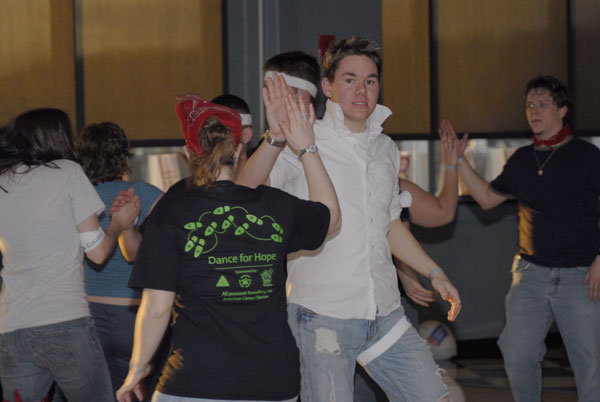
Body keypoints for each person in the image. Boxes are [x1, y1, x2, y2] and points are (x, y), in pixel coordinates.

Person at [237, 36, 461, 402]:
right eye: (350, 79)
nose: (361, 90)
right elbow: (244, 189)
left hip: (384, 311)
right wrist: (276, 137)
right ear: (327, 87)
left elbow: (390, 226)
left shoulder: (385, 148)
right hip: (322, 317)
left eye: (370, 80)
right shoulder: (303, 138)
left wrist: (434, 272)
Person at [116, 95, 340, 401]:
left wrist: (137, 368)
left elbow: (157, 308)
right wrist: (307, 147)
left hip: (195, 382)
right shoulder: (274, 205)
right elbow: (332, 217)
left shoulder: (173, 208)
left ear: (188, 153)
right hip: (272, 383)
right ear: (237, 150)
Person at [449, 75, 600, 402]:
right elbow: (487, 198)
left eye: (543, 104)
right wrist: (460, 160)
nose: (534, 111)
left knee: (589, 364)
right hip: (530, 275)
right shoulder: (521, 160)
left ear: (562, 110)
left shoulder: (588, 156)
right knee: (517, 354)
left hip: (580, 276)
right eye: (530, 105)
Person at [0, 108, 139, 402]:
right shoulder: (67, 172)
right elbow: (98, 253)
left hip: (11, 328)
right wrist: (118, 223)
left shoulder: (4, 181)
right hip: (64, 322)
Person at [75, 122, 164, 400]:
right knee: (138, 391)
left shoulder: (77, 199)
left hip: (89, 314)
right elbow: (174, 237)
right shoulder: (143, 193)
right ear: (125, 156)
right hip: (134, 315)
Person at [211, 94, 254, 176]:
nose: (216, 137)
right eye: (210, 131)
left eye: (224, 131)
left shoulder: (267, 179)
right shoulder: (194, 183)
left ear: (246, 135)